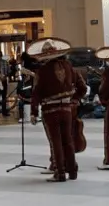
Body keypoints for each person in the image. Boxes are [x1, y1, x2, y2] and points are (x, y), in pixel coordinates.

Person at [28, 38, 85, 181]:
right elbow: (82, 88)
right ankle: (72, 172)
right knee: (68, 141)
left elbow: (36, 93)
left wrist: (34, 112)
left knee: (56, 142)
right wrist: (74, 99)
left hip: (50, 110)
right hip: (66, 109)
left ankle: (59, 173)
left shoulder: (42, 71)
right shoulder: (68, 66)